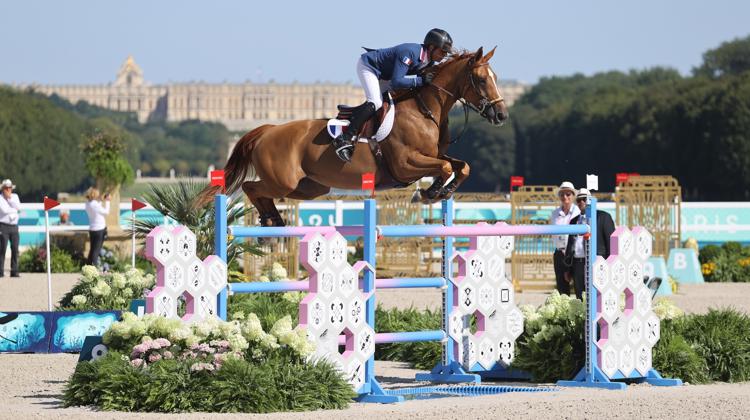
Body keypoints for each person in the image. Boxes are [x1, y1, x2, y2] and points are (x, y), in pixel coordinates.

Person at [331, 28, 455, 162]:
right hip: (370, 67)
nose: (443, 55)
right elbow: (397, 82)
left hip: (386, 76)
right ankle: (345, 138)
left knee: (389, 106)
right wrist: (420, 80)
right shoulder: (410, 53)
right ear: (431, 47)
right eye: (442, 51)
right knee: (376, 103)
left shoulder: (428, 61)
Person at [565, 188, 616, 300]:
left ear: (590, 200)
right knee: (580, 297)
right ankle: (581, 318)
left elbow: (611, 244)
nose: (582, 202)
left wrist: (610, 265)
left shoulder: (603, 217)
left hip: (596, 262)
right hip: (578, 264)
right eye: (579, 200)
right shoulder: (574, 221)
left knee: (597, 296)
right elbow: (570, 245)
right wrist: (568, 268)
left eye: (584, 199)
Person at [549, 181, 580, 296]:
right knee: (562, 288)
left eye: (568, 194)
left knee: (578, 285)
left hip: (574, 253)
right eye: (562, 194)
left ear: (573, 196)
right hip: (559, 253)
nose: (565, 197)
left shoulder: (577, 212)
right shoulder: (555, 213)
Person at [0, 179, 21, 277]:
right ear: (3, 189)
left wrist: (10, 199)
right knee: (2, 249)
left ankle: (14, 270)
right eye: (7, 188)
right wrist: (13, 209)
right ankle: (0, 271)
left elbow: (18, 207)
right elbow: (4, 210)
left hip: (14, 226)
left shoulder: (15, 197)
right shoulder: (0, 198)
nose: (8, 190)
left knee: (15, 248)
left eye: (10, 188)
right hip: (3, 226)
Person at [84, 187, 110, 266]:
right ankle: (94, 268)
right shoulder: (95, 205)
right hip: (99, 229)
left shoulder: (88, 204)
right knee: (96, 251)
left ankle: (88, 267)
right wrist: (108, 201)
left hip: (92, 229)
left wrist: (102, 201)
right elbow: (106, 212)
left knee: (92, 250)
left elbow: (96, 206)